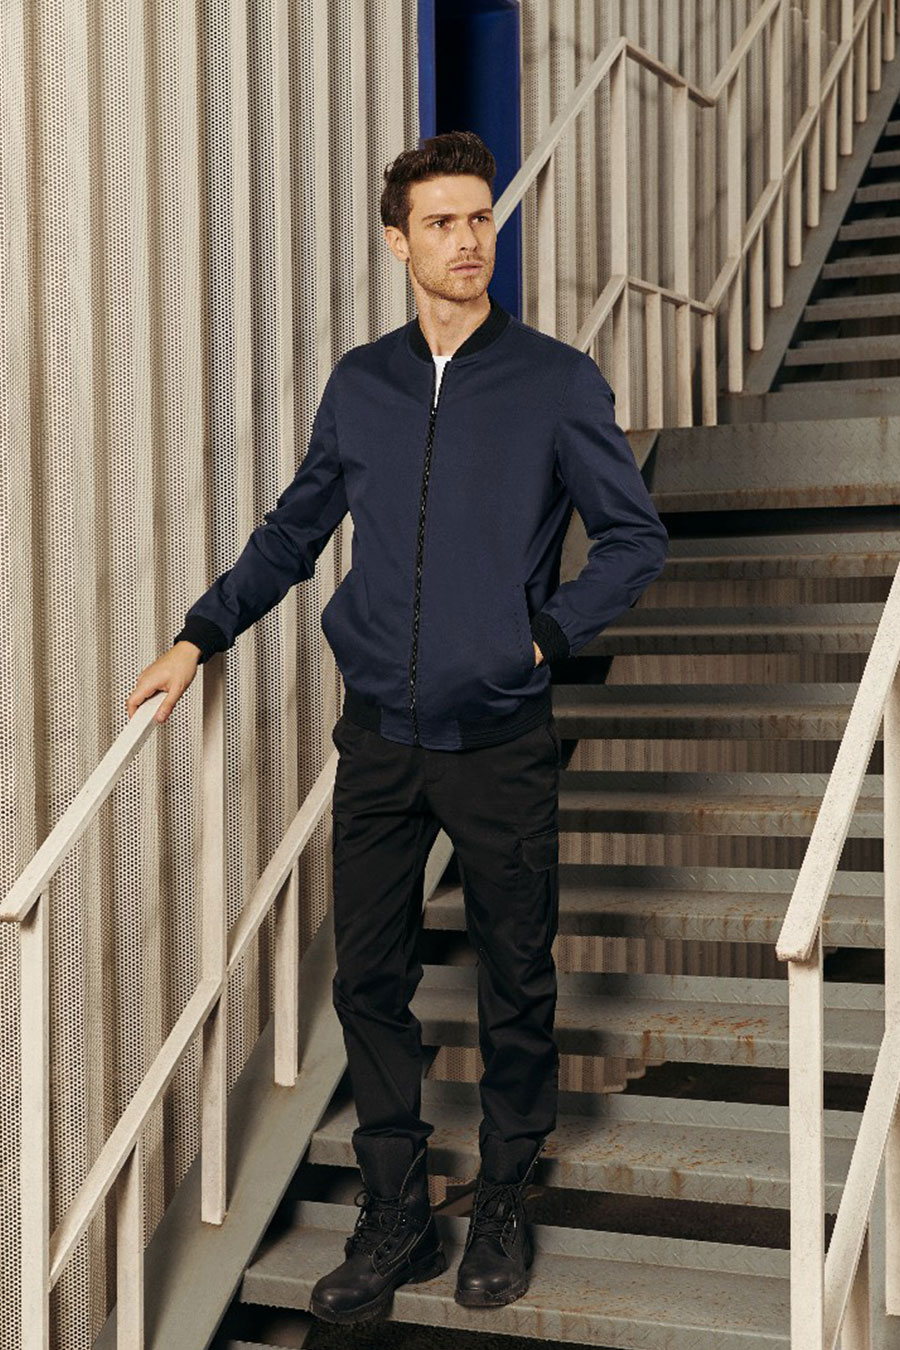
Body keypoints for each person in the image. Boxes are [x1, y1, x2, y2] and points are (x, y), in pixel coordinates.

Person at [125, 129, 668, 1324]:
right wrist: (198, 635)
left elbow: (635, 540)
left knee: (516, 975)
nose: (467, 240)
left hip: (502, 737)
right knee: (369, 978)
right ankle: (395, 1210)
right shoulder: (362, 384)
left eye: (480, 218)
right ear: (397, 242)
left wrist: (543, 637)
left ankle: (506, 1194)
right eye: (441, 223)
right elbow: (294, 531)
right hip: (378, 736)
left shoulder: (556, 381)